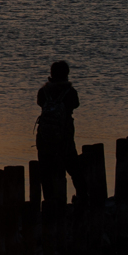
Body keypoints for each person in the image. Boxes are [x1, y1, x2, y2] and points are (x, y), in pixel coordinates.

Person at [35, 60, 85, 207]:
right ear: (67, 74)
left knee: (45, 170)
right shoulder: (70, 92)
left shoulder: (43, 92)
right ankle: (82, 197)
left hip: (44, 137)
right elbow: (75, 104)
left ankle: (49, 201)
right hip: (64, 136)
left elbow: (40, 103)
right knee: (73, 167)